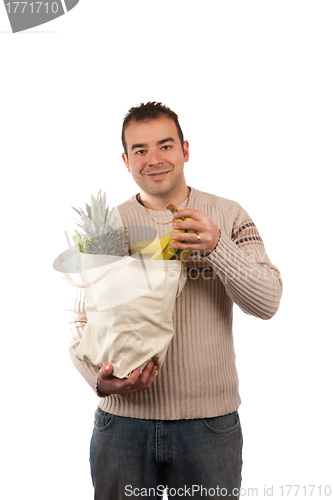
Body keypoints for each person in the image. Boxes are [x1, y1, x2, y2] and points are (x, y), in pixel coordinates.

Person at [69, 102, 282, 499]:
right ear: (126, 160)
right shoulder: (112, 225)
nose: (154, 159)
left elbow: (267, 301)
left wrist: (217, 247)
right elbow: (83, 320)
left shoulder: (227, 215)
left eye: (165, 146)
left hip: (209, 425)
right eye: (140, 150)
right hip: (122, 426)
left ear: (185, 149)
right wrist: (97, 381)